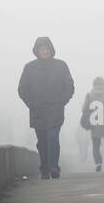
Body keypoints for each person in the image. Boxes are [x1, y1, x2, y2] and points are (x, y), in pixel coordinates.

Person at [16, 36, 75, 180]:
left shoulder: (61, 66)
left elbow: (70, 87)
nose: (45, 51)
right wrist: (31, 104)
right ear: (37, 51)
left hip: (55, 110)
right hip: (38, 112)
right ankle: (44, 169)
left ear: (51, 50)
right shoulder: (29, 68)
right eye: (42, 49)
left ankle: (54, 168)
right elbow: (22, 89)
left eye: (47, 49)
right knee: (42, 142)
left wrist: (62, 101)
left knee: (53, 137)